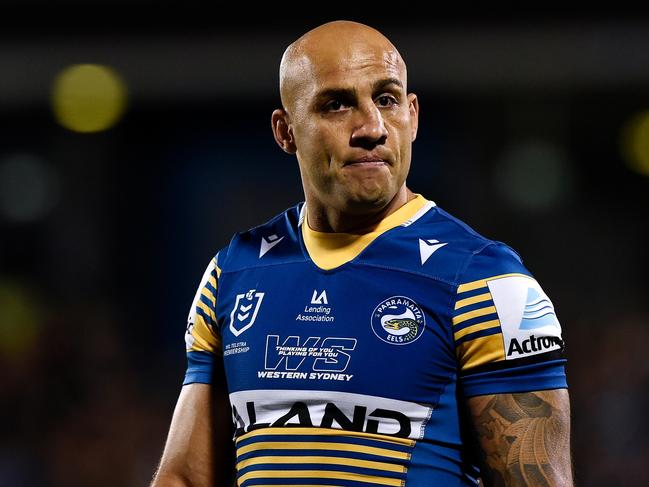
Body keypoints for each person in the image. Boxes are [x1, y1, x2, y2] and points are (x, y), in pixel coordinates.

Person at [151, 20, 573, 487]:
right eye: (336, 105)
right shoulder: (233, 273)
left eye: (387, 100)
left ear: (412, 116)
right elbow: (186, 478)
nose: (372, 128)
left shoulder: (486, 283)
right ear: (285, 130)